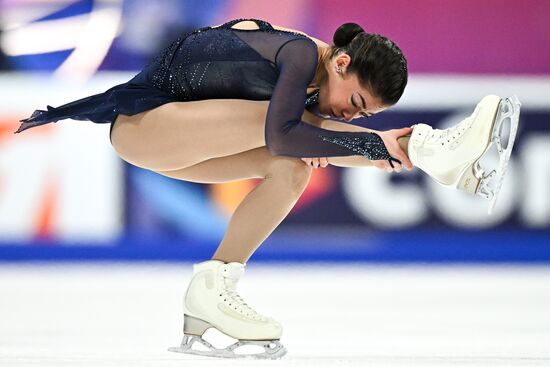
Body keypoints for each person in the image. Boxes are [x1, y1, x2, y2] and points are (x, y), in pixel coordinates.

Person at [14, 18, 519, 359]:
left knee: (292, 169)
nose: (352, 113)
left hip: (191, 137)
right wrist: (370, 145)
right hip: (147, 126)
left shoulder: (316, 82)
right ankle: (437, 154)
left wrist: (368, 145)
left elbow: (295, 142)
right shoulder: (300, 54)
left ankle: (211, 290)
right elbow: (280, 131)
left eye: (364, 114)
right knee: (293, 133)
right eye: (357, 100)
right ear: (341, 63)